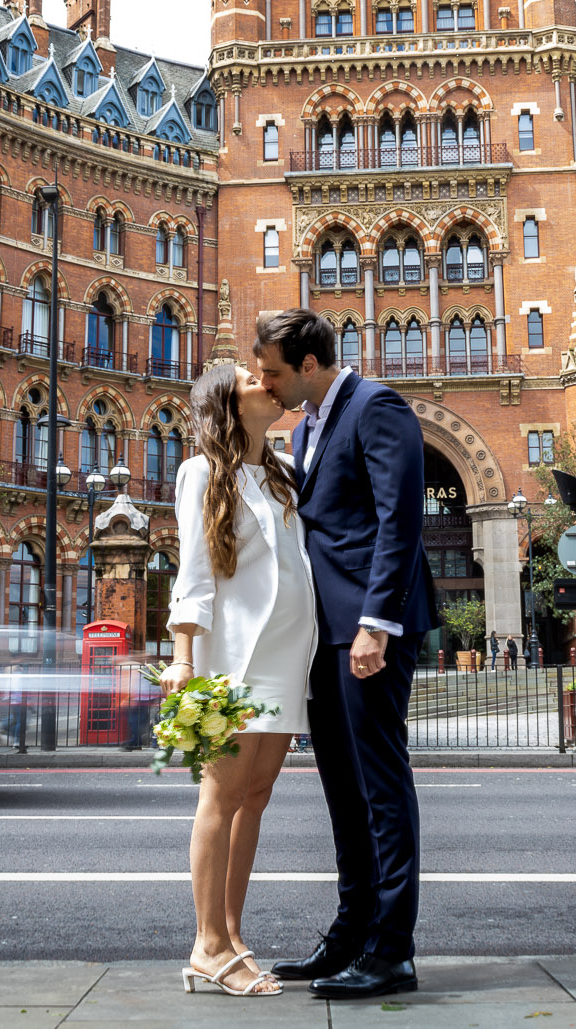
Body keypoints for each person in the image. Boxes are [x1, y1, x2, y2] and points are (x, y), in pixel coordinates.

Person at [256, 308, 434, 1000]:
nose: (268, 384)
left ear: (308, 364)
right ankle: (352, 931)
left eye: (273, 371)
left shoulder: (374, 406)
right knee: (340, 790)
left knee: (381, 788)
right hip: (326, 632)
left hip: (368, 627)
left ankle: (393, 949)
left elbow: (401, 517)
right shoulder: (305, 426)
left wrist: (377, 623)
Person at [161, 363, 317, 998]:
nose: (267, 380)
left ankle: (231, 932)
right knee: (219, 799)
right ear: (227, 400)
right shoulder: (202, 471)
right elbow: (194, 574)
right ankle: (206, 943)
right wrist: (181, 658)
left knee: (256, 796)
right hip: (233, 656)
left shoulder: (282, 473)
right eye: (253, 376)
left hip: (287, 655)